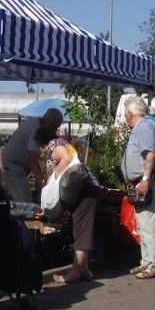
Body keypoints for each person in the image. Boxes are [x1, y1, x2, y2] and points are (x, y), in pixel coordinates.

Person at [34, 127, 102, 284]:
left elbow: (66, 159)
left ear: (41, 141)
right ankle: (83, 269)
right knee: (77, 226)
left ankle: (76, 271)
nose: (40, 150)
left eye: (39, 145)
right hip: (84, 190)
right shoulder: (61, 142)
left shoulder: (53, 144)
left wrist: (53, 177)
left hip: (84, 190)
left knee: (81, 227)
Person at [121, 96, 155, 279]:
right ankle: (146, 261)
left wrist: (145, 179)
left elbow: (150, 155)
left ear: (130, 113)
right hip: (140, 181)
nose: (125, 116)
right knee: (143, 224)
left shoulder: (144, 127)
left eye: (125, 113)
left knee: (147, 224)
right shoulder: (141, 127)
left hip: (146, 181)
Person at [2, 108, 63, 202]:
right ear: (47, 120)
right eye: (53, 127)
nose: (54, 131)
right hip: (14, 166)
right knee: (25, 202)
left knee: (13, 200)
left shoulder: (34, 123)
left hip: (12, 165)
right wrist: (44, 186)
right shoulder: (36, 129)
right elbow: (33, 160)